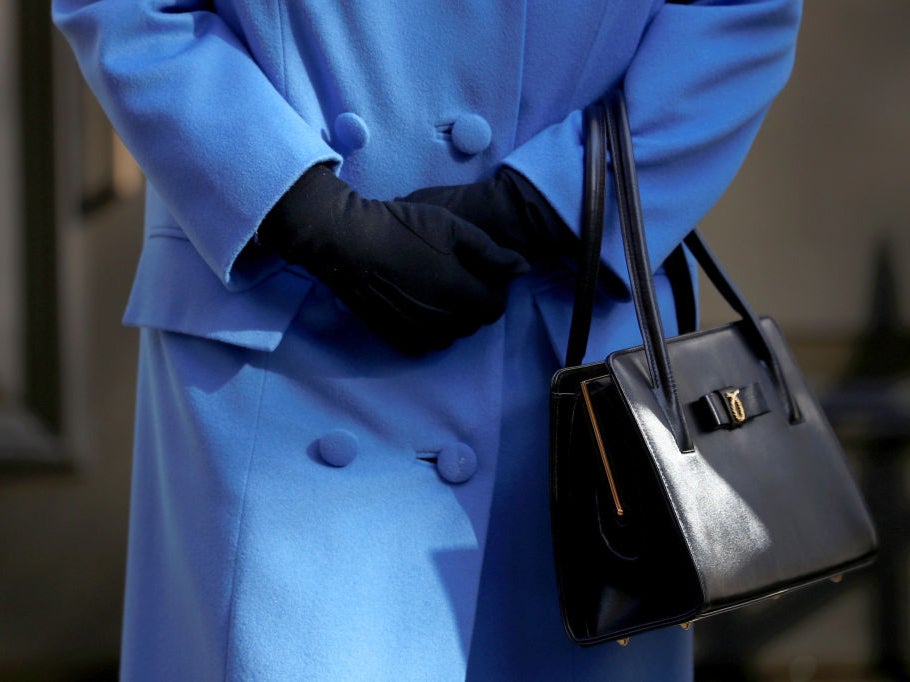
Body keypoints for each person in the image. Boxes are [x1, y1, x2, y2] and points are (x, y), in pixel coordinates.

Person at [52, 1, 802, 679]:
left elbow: (738, 8)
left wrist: (541, 205)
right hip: (291, 343)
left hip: (569, 353)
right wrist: (308, 215)